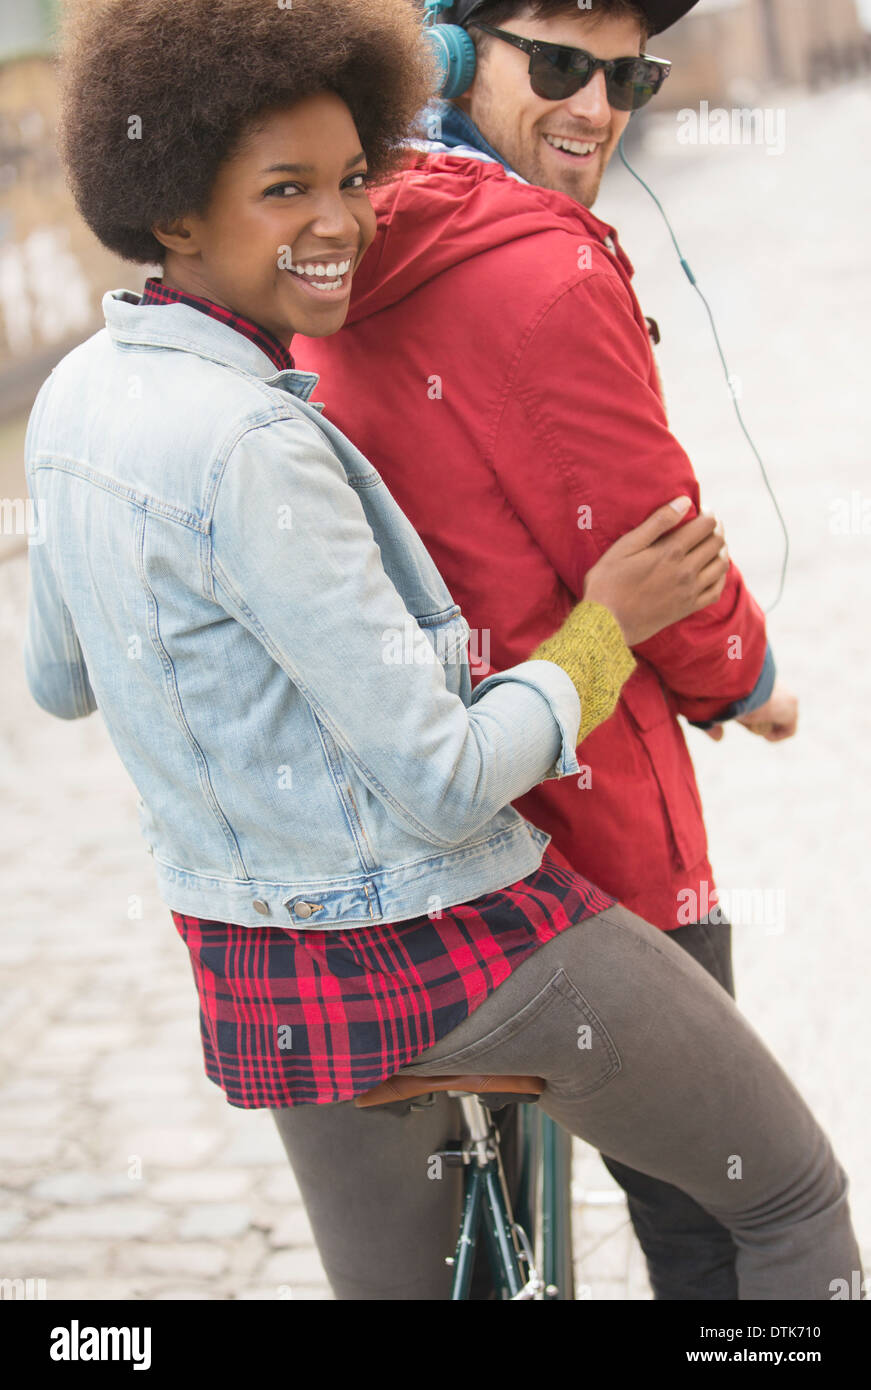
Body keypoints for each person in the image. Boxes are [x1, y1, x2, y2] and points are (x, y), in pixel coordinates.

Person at [23, 0, 860, 1301]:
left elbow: (60, 679)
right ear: (173, 210)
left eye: (354, 177)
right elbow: (441, 771)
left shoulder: (73, 397)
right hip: (448, 937)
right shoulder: (263, 438)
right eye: (286, 188)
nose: (343, 220)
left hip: (259, 982)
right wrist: (615, 631)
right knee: (783, 1198)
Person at [296, 0, 799, 1299]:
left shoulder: (316, 244)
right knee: (743, 1216)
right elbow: (665, 553)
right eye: (562, 62)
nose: (598, 105)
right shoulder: (545, 267)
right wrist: (747, 679)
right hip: (593, 850)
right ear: (450, 54)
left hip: (398, 850)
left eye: (627, 72)